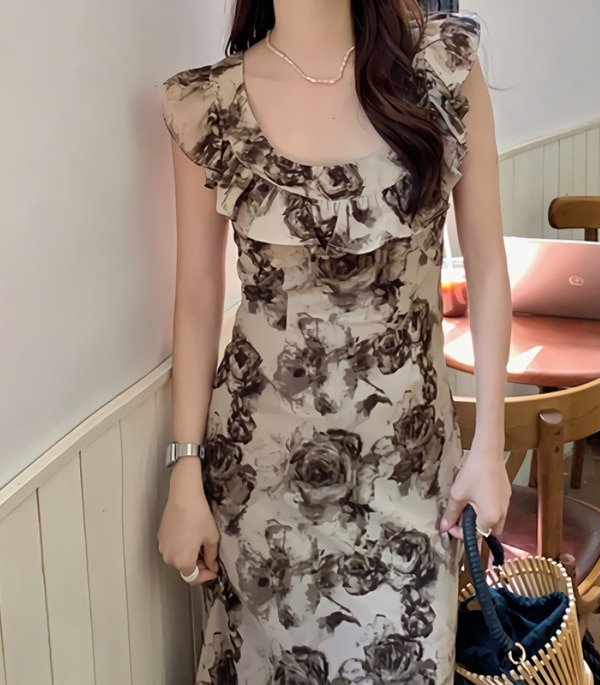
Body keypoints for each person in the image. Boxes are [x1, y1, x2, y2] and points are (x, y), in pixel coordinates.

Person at [156, 0, 512, 682]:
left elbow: (488, 267)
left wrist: (489, 446)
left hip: (410, 475)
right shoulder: (210, 107)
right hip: (260, 484)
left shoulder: (441, 70)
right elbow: (197, 298)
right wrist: (184, 474)